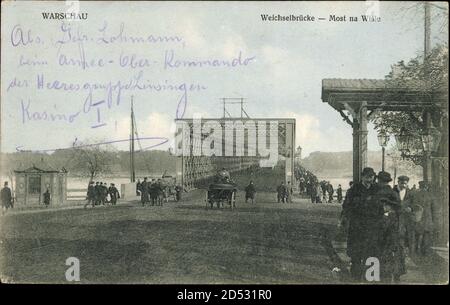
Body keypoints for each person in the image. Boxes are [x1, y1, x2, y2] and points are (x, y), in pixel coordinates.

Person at [340, 167, 379, 281]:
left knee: (370, 252)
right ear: (362, 177)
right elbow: (346, 206)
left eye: (371, 177)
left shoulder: (376, 190)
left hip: (371, 226)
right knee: (356, 252)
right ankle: (356, 277)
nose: (369, 180)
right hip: (357, 226)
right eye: (367, 177)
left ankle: (369, 277)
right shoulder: (354, 190)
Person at [375, 171, 403, 283]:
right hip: (392, 225)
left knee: (379, 250)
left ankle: (379, 274)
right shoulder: (393, 193)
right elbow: (399, 210)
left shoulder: (377, 192)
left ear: (380, 181)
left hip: (379, 225)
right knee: (389, 251)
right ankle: (388, 274)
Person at [410, 181, 435, 256]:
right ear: (426, 187)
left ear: (420, 186)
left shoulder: (415, 195)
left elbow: (413, 206)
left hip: (418, 217)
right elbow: (433, 209)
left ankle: (417, 250)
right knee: (426, 234)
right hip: (428, 218)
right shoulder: (430, 195)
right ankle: (426, 252)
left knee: (418, 234)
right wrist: (433, 220)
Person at [393, 175, 414, 256]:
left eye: (405, 184)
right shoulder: (393, 192)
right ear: (398, 182)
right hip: (395, 216)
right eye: (402, 183)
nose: (403, 185)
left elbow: (413, 203)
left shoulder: (409, 193)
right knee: (395, 232)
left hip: (405, 217)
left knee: (404, 234)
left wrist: (410, 208)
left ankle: (403, 250)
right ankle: (394, 250)